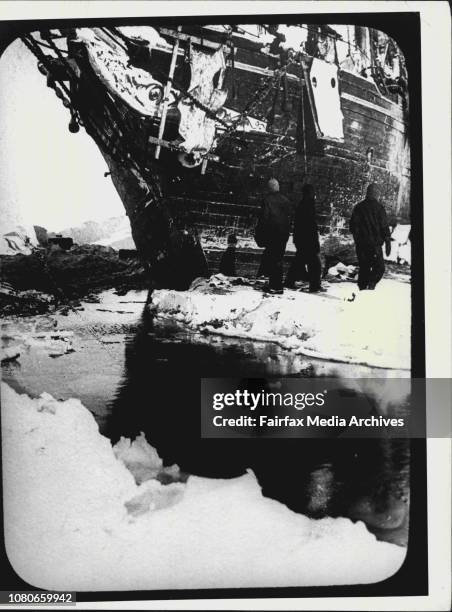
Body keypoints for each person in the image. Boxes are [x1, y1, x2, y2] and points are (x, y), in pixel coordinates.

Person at [349, 183, 391, 290]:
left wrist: (357, 240)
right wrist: (387, 242)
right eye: (375, 192)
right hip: (374, 245)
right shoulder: (379, 208)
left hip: (362, 245)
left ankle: (363, 288)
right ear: (375, 193)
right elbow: (384, 227)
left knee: (364, 268)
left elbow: (353, 226)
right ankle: (370, 284)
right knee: (379, 268)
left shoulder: (359, 207)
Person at [255, 178, 292, 294]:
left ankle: (275, 286)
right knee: (278, 259)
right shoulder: (286, 200)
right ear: (278, 187)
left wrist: (260, 233)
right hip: (283, 234)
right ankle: (275, 284)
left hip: (271, 234)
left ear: (269, 188)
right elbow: (289, 218)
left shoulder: (267, 200)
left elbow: (264, 219)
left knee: (273, 259)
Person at [285, 184, 322, 292]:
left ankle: (290, 281)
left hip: (302, 238)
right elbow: (311, 225)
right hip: (308, 239)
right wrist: (314, 241)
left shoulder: (303, 204)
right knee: (314, 263)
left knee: (299, 261)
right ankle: (314, 286)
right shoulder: (309, 205)